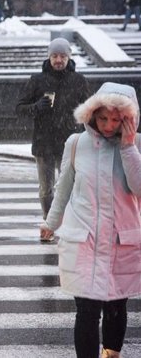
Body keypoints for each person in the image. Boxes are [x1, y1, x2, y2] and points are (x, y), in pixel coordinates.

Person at [40, 82, 141, 358]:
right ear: (92, 114)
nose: (108, 126)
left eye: (116, 120)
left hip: (122, 242)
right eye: (102, 118)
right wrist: (51, 223)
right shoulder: (76, 144)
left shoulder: (137, 145)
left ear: (128, 119)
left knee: (116, 307)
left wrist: (129, 148)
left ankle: (111, 353)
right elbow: (64, 187)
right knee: (86, 311)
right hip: (83, 241)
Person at [16, 37, 90, 228]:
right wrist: (36, 107)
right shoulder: (37, 80)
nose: (59, 60)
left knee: (71, 188)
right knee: (46, 189)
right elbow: (19, 108)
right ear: (49, 57)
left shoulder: (78, 81)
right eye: (55, 56)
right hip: (44, 142)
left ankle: (69, 223)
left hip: (71, 143)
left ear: (69, 58)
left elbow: (90, 110)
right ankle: (49, 223)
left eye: (63, 56)